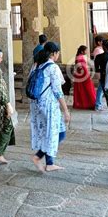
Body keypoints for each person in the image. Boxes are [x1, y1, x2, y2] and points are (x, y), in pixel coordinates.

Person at [30, 41, 71, 172]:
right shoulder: (52, 67)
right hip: (49, 105)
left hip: (36, 104)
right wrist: (65, 110)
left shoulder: (36, 65)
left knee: (48, 133)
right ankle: (40, 158)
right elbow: (58, 91)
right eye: (58, 53)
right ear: (54, 53)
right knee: (60, 133)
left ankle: (49, 162)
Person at [94, 39, 108, 111]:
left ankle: (97, 105)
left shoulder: (98, 57)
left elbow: (97, 70)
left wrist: (100, 77)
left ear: (103, 47)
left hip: (103, 77)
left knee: (101, 91)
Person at [73, 45, 96, 109]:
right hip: (83, 75)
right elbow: (79, 67)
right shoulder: (80, 57)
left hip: (81, 74)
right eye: (86, 50)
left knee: (83, 89)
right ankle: (90, 103)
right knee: (87, 88)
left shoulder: (80, 56)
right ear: (82, 51)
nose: (87, 51)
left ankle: (84, 103)